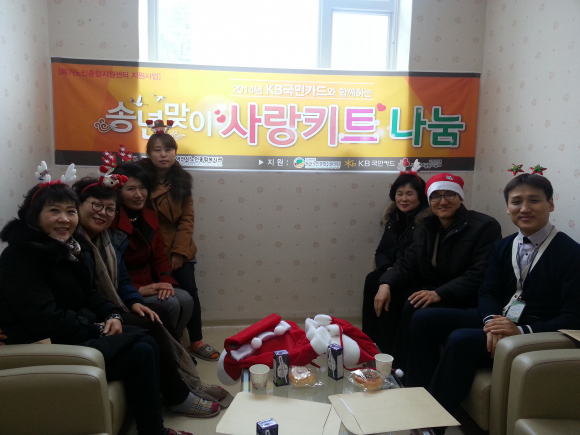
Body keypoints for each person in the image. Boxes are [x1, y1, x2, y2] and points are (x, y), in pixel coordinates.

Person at [0, 180, 194, 435]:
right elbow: (44, 319)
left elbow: (88, 293)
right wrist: (97, 328)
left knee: (147, 339)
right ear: (34, 216)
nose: (64, 219)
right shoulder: (21, 256)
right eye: (54, 211)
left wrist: (113, 314)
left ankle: (155, 425)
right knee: (141, 349)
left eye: (70, 212)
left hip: (66, 330)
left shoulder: (68, 248)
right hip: (41, 341)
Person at [405, 173, 580, 435]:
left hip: (533, 328)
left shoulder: (571, 253)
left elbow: (574, 317)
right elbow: (488, 291)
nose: (524, 208)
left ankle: (431, 425)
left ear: (550, 204)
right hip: (500, 317)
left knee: (461, 340)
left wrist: (519, 330)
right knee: (423, 318)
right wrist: (491, 321)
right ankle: (414, 398)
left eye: (534, 200)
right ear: (508, 208)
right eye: (516, 202)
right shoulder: (504, 246)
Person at [72, 176, 231, 416]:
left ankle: (186, 380)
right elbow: (85, 294)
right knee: (154, 321)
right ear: (79, 205)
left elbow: (125, 275)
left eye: (109, 209)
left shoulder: (106, 239)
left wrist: (135, 300)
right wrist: (131, 299)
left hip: (117, 300)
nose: (103, 213)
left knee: (162, 311)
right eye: (96, 205)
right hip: (95, 314)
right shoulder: (72, 245)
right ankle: (178, 394)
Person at [376, 173, 502, 372]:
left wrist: (439, 293)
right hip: (437, 290)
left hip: (466, 297)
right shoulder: (426, 227)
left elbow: (480, 272)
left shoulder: (484, 226)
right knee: (390, 292)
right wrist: (386, 284)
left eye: (449, 194)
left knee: (414, 306)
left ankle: (408, 373)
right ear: (429, 200)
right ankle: (386, 359)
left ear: (460, 197)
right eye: (436, 196)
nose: (442, 201)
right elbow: (407, 262)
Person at [138, 130, 219, 361]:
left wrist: (179, 252)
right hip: (150, 246)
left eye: (168, 149)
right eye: (157, 150)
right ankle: (165, 342)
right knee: (161, 295)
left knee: (190, 291)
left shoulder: (182, 181)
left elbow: (187, 219)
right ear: (149, 153)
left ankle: (196, 341)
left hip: (180, 247)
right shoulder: (140, 179)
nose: (163, 154)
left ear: (175, 153)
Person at [110, 163, 194, 340]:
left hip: (150, 280)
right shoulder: (111, 219)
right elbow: (111, 269)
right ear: (118, 192)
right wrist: (138, 289)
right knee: (170, 304)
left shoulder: (149, 215)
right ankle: (166, 347)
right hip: (126, 287)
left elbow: (159, 256)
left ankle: (174, 344)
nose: (139, 194)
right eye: (130, 189)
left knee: (186, 299)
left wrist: (166, 282)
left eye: (142, 188)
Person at [361, 172, 428, 354]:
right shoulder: (394, 219)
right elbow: (381, 251)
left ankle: (388, 349)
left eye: (409, 193)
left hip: (415, 278)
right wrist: (388, 269)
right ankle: (368, 341)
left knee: (392, 291)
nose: (404, 199)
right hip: (394, 273)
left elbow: (416, 259)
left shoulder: (426, 223)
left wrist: (392, 276)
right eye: (400, 194)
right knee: (373, 278)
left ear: (420, 196)